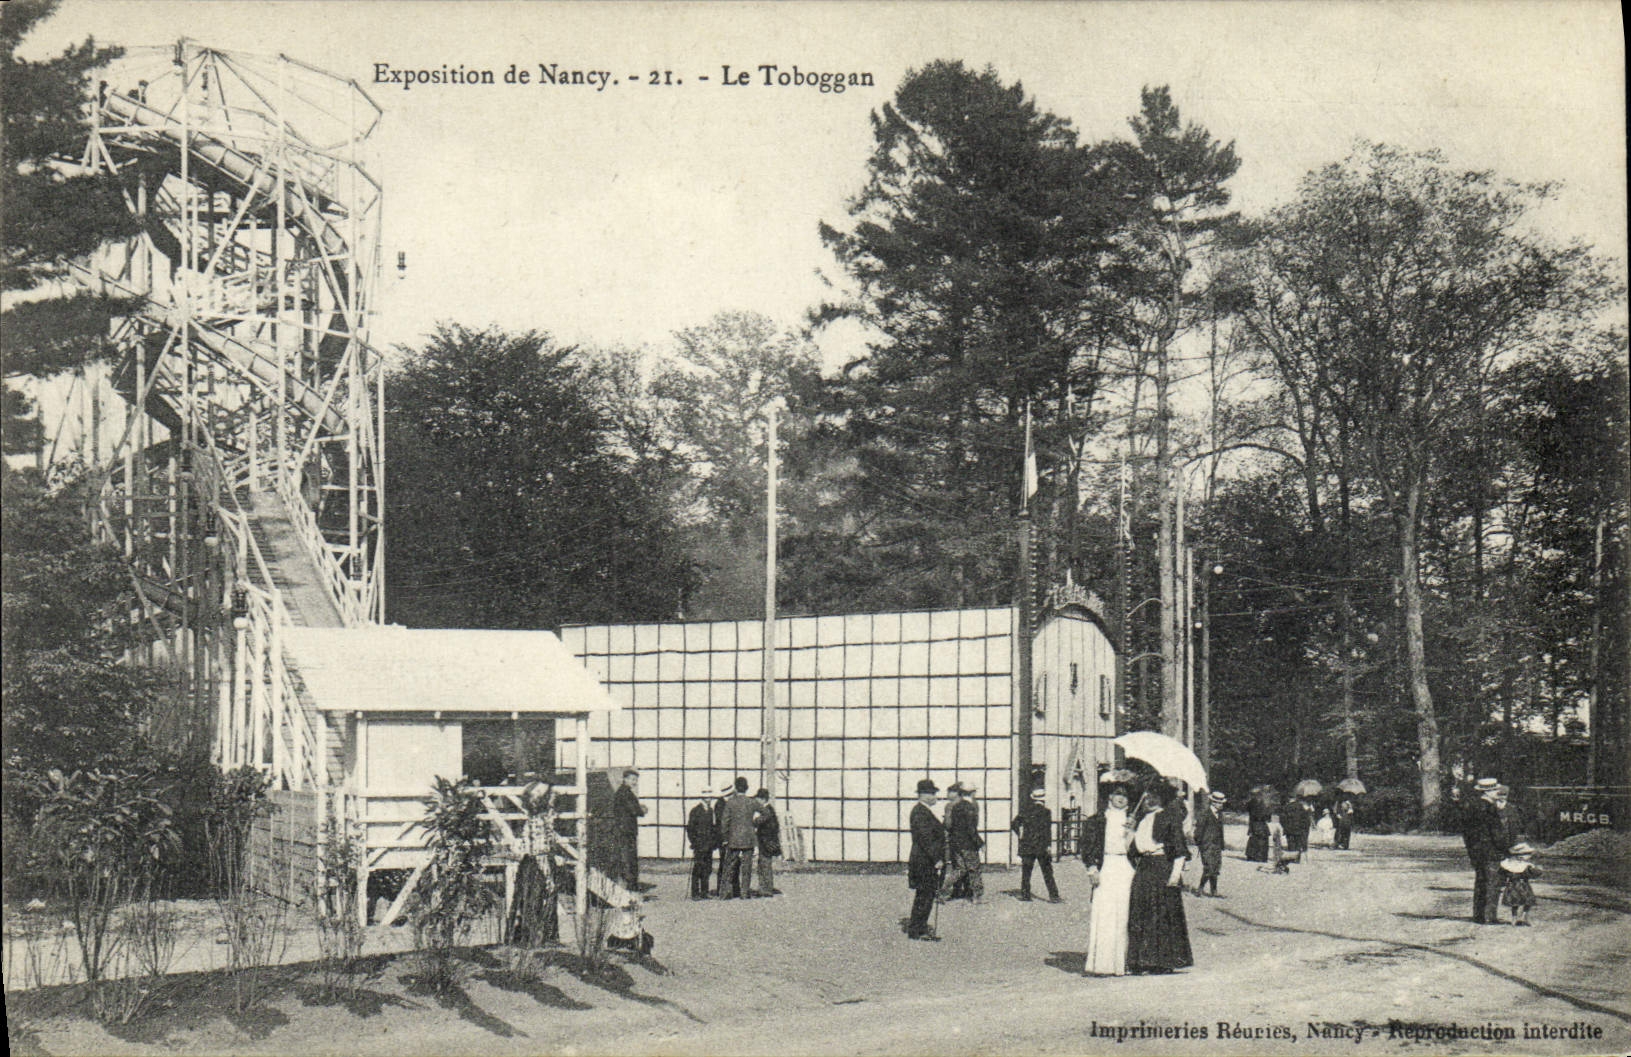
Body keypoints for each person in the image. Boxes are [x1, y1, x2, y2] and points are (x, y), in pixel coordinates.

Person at [1125, 782, 1193, 974]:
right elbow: (1132, 850)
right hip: (1144, 867)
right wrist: (1129, 831)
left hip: (1162, 866)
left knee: (1161, 915)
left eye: (1155, 797)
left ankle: (1161, 962)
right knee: (1141, 911)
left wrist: (1175, 875)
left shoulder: (1169, 817)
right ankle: (1140, 960)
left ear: (1163, 798)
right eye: (1147, 797)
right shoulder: (1143, 819)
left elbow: (1179, 849)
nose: (1150, 800)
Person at [1081, 777, 1135, 976]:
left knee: (1125, 914)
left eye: (1125, 795)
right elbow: (1087, 847)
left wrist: (1132, 833)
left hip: (1126, 868)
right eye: (1117, 794)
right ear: (1110, 796)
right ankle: (1102, 964)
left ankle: (1124, 963)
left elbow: (1138, 849)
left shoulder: (1133, 820)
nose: (1121, 798)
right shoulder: (1097, 820)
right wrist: (1092, 869)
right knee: (1104, 913)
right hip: (1106, 867)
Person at [1454, 776, 1507, 924]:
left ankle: (1478, 914)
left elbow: (1466, 831)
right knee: (1492, 883)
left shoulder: (1472, 806)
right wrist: (1505, 847)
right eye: (1495, 790)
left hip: (1476, 850)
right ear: (1489, 792)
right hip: (1491, 850)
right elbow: (1496, 832)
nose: (1497, 792)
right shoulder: (1490, 808)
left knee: (1480, 881)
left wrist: (1472, 848)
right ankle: (1489, 916)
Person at [906, 778, 946, 940]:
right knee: (924, 895)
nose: (935, 796)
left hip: (924, 859)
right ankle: (917, 930)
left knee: (927, 894)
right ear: (923, 795)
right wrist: (936, 858)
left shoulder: (923, 811)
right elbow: (926, 838)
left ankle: (919, 928)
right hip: (924, 860)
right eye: (932, 793)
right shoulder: (920, 812)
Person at [1011, 788, 1061, 902]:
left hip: (1027, 845)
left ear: (1032, 798)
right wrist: (1048, 844)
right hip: (1041, 846)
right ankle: (1054, 896)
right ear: (1043, 799)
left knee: (1026, 871)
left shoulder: (1025, 811)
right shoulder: (1046, 812)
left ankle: (1025, 895)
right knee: (1047, 871)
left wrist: (1020, 834)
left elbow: (1014, 823)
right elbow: (1047, 830)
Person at [938, 781, 985, 904]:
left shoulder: (955, 806)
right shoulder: (970, 807)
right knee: (974, 869)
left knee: (959, 869)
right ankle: (977, 896)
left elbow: (951, 825)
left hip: (956, 843)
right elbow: (971, 829)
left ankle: (943, 890)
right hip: (968, 844)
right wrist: (980, 843)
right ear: (973, 793)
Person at [719, 776, 762, 899]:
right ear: (747, 788)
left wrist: (725, 837)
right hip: (748, 839)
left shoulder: (730, 803)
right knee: (746, 867)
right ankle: (744, 893)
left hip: (733, 839)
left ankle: (724, 893)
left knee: (728, 868)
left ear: (736, 789)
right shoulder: (752, 802)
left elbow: (724, 822)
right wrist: (755, 822)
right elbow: (766, 813)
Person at [611, 768, 646, 890]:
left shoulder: (625, 792)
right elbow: (634, 809)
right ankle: (630, 887)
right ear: (624, 779)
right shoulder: (625, 793)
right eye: (632, 779)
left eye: (636, 780)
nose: (634, 782)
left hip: (627, 831)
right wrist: (642, 810)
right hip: (625, 832)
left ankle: (631, 886)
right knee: (628, 860)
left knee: (629, 859)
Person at [686, 786, 720, 900]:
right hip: (699, 845)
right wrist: (694, 842)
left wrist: (714, 842)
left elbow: (714, 828)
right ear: (702, 798)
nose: (708, 799)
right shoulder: (695, 811)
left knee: (708, 868)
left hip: (709, 845)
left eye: (710, 797)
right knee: (698, 869)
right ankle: (695, 893)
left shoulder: (711, 811)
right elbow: (690, 828)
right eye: (706, 797)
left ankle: (704, 891)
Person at [1498, 842, 1542, 926]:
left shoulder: (1525, 865)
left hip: (1523, 884)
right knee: (1515, 902)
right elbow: (1502, 874)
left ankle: (1525, 916)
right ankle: (1515, 918)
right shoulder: (1508, 864)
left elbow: (1534, 874)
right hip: (1513, 884)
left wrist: (1534, 869)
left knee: (1528, 901)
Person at [1195, 790, 1226, 897]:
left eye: (1222, 803)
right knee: (1208, 867)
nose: (1221, 805)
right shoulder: (1205, 813)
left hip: (1216, 845)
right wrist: (1201, 844)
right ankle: (1200, 889)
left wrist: (1222, 844)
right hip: (1207, 845)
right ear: (1213, 802)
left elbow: (1220, 830)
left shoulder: (1220, 814)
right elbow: (1198, 831)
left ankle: (1214, 891)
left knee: (1216, 867)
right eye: (1219, 803)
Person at [753, 787, 782, 897]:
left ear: (763, 799)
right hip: (767, 841)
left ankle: (766, 889)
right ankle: (765, 887)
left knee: (765, 865)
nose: (756, 801)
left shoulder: (767, 810)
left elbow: (761, 823)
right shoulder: (770, 809)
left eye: (758, 799)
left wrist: (753, 823)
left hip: (766, 842)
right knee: (764, 864)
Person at [1245, 786, 1273, 862]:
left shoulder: (1253, 802)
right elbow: (1265, 816)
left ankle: (1253, 856)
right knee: (1260, 841)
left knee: (1255, 840)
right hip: (1259, 823)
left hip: (1255, 824)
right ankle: (1259, 857)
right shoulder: (1258, 803)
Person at [1283, 794, 1315, 859]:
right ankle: (1297, 858)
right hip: (1298, 829)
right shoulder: (1301, 806)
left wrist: (1285, 827)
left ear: (1289, 799)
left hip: (1289, 829)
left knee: (1291, 844)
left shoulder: (1286, 807)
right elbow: (1305, 818)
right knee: (1298, 844)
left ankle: (1291, 858)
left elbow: (1283, 819)